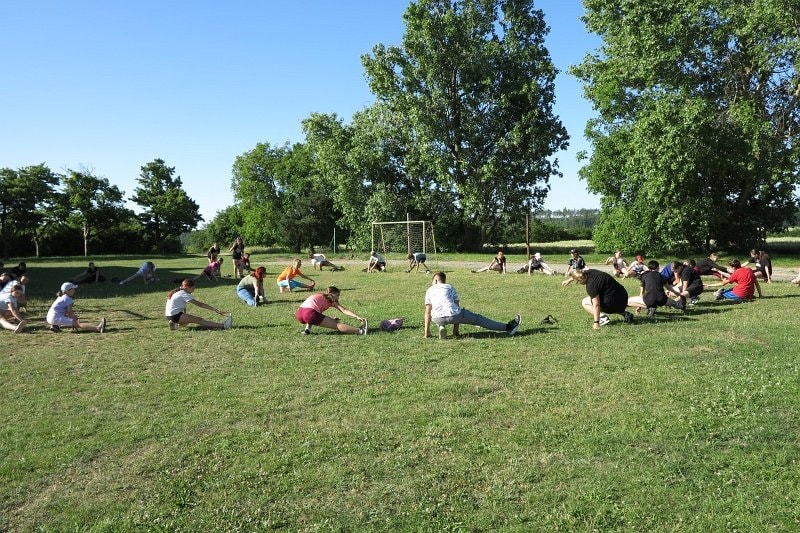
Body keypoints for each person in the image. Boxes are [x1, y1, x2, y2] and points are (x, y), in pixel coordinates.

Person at [423, 271, 521, 339]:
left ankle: (441, 326)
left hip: (437, 318)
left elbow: (427, 312)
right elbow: (457, 307)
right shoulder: (449, 287)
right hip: (454, 315)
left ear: (435, 280)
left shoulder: (429, 290)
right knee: (479, 319)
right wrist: (456, 329)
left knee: (438, 311)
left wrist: (427, 333)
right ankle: (508, 327)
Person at [562, 268, 634, 328]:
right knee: (607, 297)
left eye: (577, 282)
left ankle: (603, 318)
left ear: (580, 280)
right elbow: (579, 274)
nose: (578, 284)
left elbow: (596, 305)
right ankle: (625, 314)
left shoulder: (591, 286)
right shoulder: (590, 271)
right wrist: (569, 280)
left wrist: (596, 322)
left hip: (612, 303)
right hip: (623, 298)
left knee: (585, 302)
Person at [296, 286, 367, 335]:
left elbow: (314, 311)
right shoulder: (333, 301)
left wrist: (329, 320)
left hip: (299, 313)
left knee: (312, 316)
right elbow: (344, 310)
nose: (338, 297)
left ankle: (307, 329)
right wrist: (357, 316)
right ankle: (360, 331)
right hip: (310, 313)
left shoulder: (319, 295)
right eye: (337, 295)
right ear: (332, 294)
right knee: (337, 324)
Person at [165, 279, 232, 330]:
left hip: (169, 315)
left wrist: (185, 317)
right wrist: (215, 310)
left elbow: (181, 307)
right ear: (187, 287)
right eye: (193, 288)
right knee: (199, 320)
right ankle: (224, 326)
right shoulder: (184, 294)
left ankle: (174, 324)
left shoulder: (178, 291)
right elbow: (200, 304)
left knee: (187, 322)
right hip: (175, 315)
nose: (193, 290)